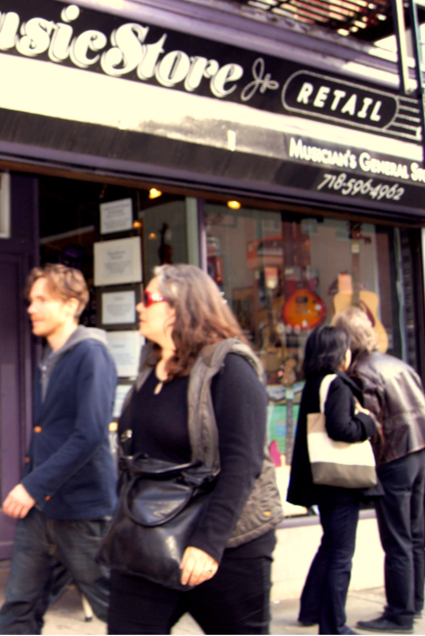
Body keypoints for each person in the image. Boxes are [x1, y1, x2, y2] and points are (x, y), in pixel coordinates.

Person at [106, 264, 283, 635]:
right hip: (149, 536)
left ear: (180, 306)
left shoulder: (230, 367)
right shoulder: (150, 368)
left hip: (225, 544)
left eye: (148, 298)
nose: (139, 307)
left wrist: (208, 544)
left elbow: (243, 463)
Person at [0, 264, 118, 635]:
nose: (31, 308)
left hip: (82, 509)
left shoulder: (92, 355)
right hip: (42, 509)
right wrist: (36, 488)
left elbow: (90, 434)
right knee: (19, 605)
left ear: (70, 305)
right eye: (31, 299)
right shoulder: (49, 357)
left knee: (114, 606)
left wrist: (31, 485)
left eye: (42, 300)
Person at [334, 307, 425, 634]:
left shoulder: (361, 372)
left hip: (395, 456)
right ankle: (414, 603)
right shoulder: (398, 364)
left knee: (396, 539)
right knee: (414, 534)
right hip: (421, 449)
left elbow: (371, 425)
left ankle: (399, 613)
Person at [287, 325, 378, 636]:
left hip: (321, 478)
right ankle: (334, 626)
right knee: (341, 553)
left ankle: (311, 609)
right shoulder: (337, 385)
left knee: (330, 546)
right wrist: (367, 422)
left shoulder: (314, 383)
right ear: (339, 353)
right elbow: (342, 429)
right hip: (339, 482)